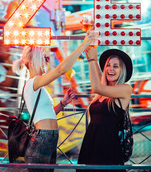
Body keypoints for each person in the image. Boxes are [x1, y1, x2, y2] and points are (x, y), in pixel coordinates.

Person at [12, 31, 97, 172]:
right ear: (34, 61)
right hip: (42, 138)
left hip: (49, 138)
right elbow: (60, 70)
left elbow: (46, 114)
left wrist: (63, 103)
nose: (47, 61)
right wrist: (84, 44)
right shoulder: (34, 82)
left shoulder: (38, 85)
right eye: (44, 58)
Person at [77, 48, 133, 172]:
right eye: (108, 65)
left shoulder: (125, 89)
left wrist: (92, 60)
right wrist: (93, 60)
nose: (110, 69)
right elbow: (99, 85)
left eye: (115, 66)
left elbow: (96, 87)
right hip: (91, 143)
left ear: (122, 70)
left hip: (108, 147)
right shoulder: (103, 91)